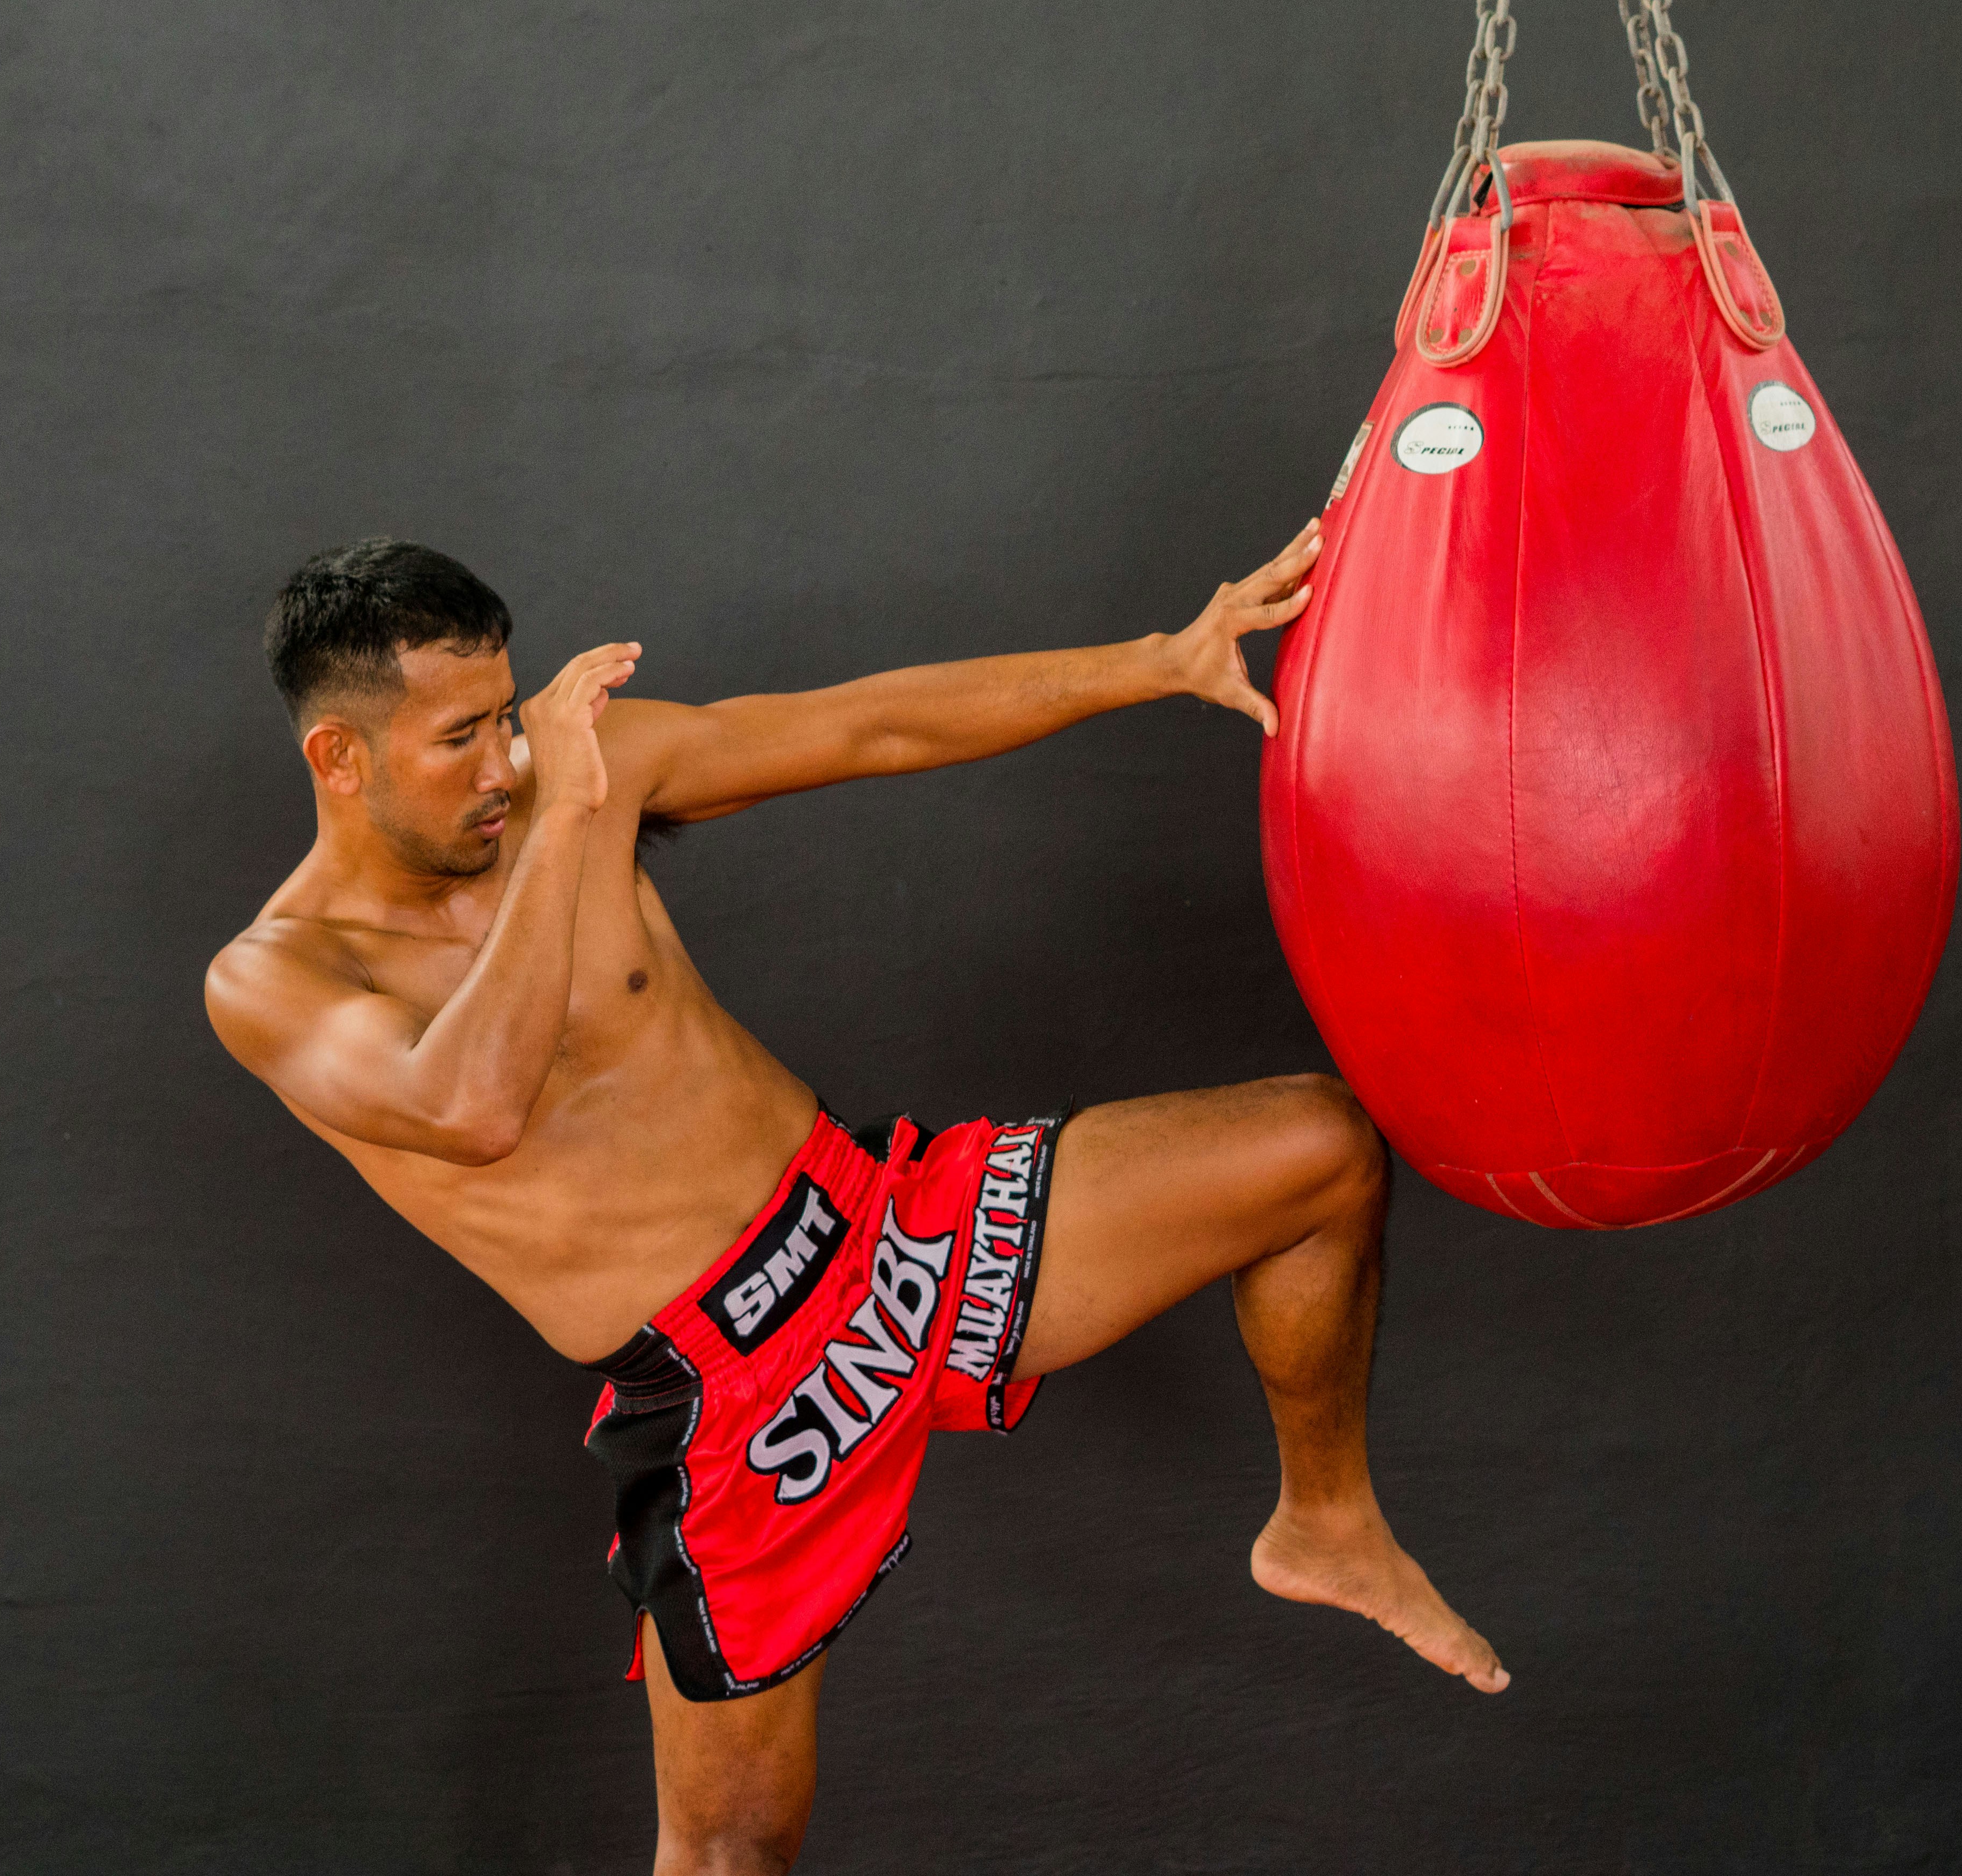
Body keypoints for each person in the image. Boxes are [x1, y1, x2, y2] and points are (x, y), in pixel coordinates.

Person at [203, 530, 1505, 1873]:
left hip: (882, 1230)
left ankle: (1324, 1521)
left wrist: (1157, 661)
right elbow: (467, 1105)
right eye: (461, 737)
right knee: (733, 1850)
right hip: (733, 1399)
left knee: (1321, 1144)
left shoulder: (574, 766)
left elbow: (869, 726)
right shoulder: (277, 980)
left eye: (511, 716)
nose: (507, 764)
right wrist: (568, 817)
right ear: (340, 759)